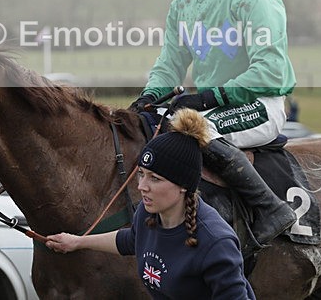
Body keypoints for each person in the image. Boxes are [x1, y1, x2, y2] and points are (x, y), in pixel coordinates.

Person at [129, 0, 297, 246]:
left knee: (196, 130)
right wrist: (148, 96)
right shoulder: (183, 5)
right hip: (210, 105)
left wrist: (210, 95)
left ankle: (270, 209)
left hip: (261, 104)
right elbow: (170, 64)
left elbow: (270, 70)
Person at [46, 109, 255, 300]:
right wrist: (77, 242)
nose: (142, 187)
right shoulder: (146, 215)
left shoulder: (216, 243)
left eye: (154, 178)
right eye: (141, 175)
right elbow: (131, 239)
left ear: (183, 185)